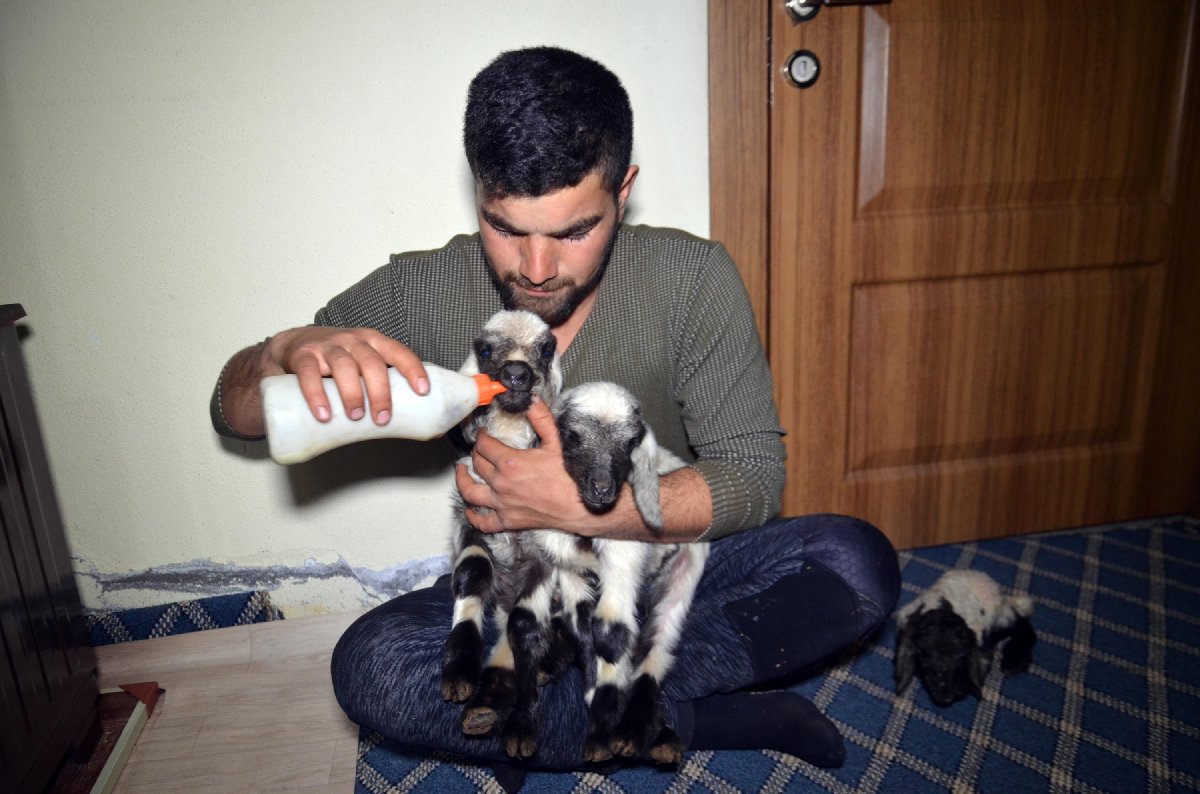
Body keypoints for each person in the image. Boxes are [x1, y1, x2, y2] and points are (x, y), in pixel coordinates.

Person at [211, 46, 899, 778]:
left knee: (856, 565)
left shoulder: (691, 279)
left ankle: (552, 714)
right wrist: (287, 347)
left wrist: (590, 508)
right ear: (477, 192)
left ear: (624, 190)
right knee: (368, 669)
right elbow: (235, 413)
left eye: (574, 232)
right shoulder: (422, 290)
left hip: (656, 571)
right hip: (523, 591)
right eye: (505, 227)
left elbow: (757, 477)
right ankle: (692, 715)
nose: (536, 270)